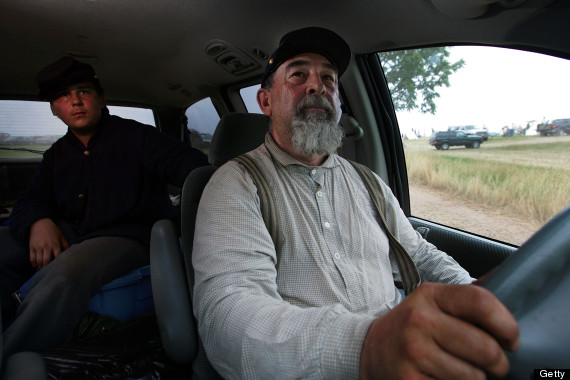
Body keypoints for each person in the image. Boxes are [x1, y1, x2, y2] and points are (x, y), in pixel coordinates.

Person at [192, 27, 519, 379]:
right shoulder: (235, 184)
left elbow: (419, 256)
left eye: (329, 78)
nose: (317, 86)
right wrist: (368, 346)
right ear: (266, 101)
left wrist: (474, 296)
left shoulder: (368, 182)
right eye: (298, 74)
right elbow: (228, 315)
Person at [0, 56, 208, 357]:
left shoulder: (138, 137)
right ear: (54, 109)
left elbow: (193, 169)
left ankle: (12, 355)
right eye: (63, 96)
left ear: (100, 97)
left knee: (65, 274)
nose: (75, 101)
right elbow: (31, 199)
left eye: (83, 91)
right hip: (71, 233)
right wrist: (38, 222)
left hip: (128, 237)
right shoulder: (57, 155)